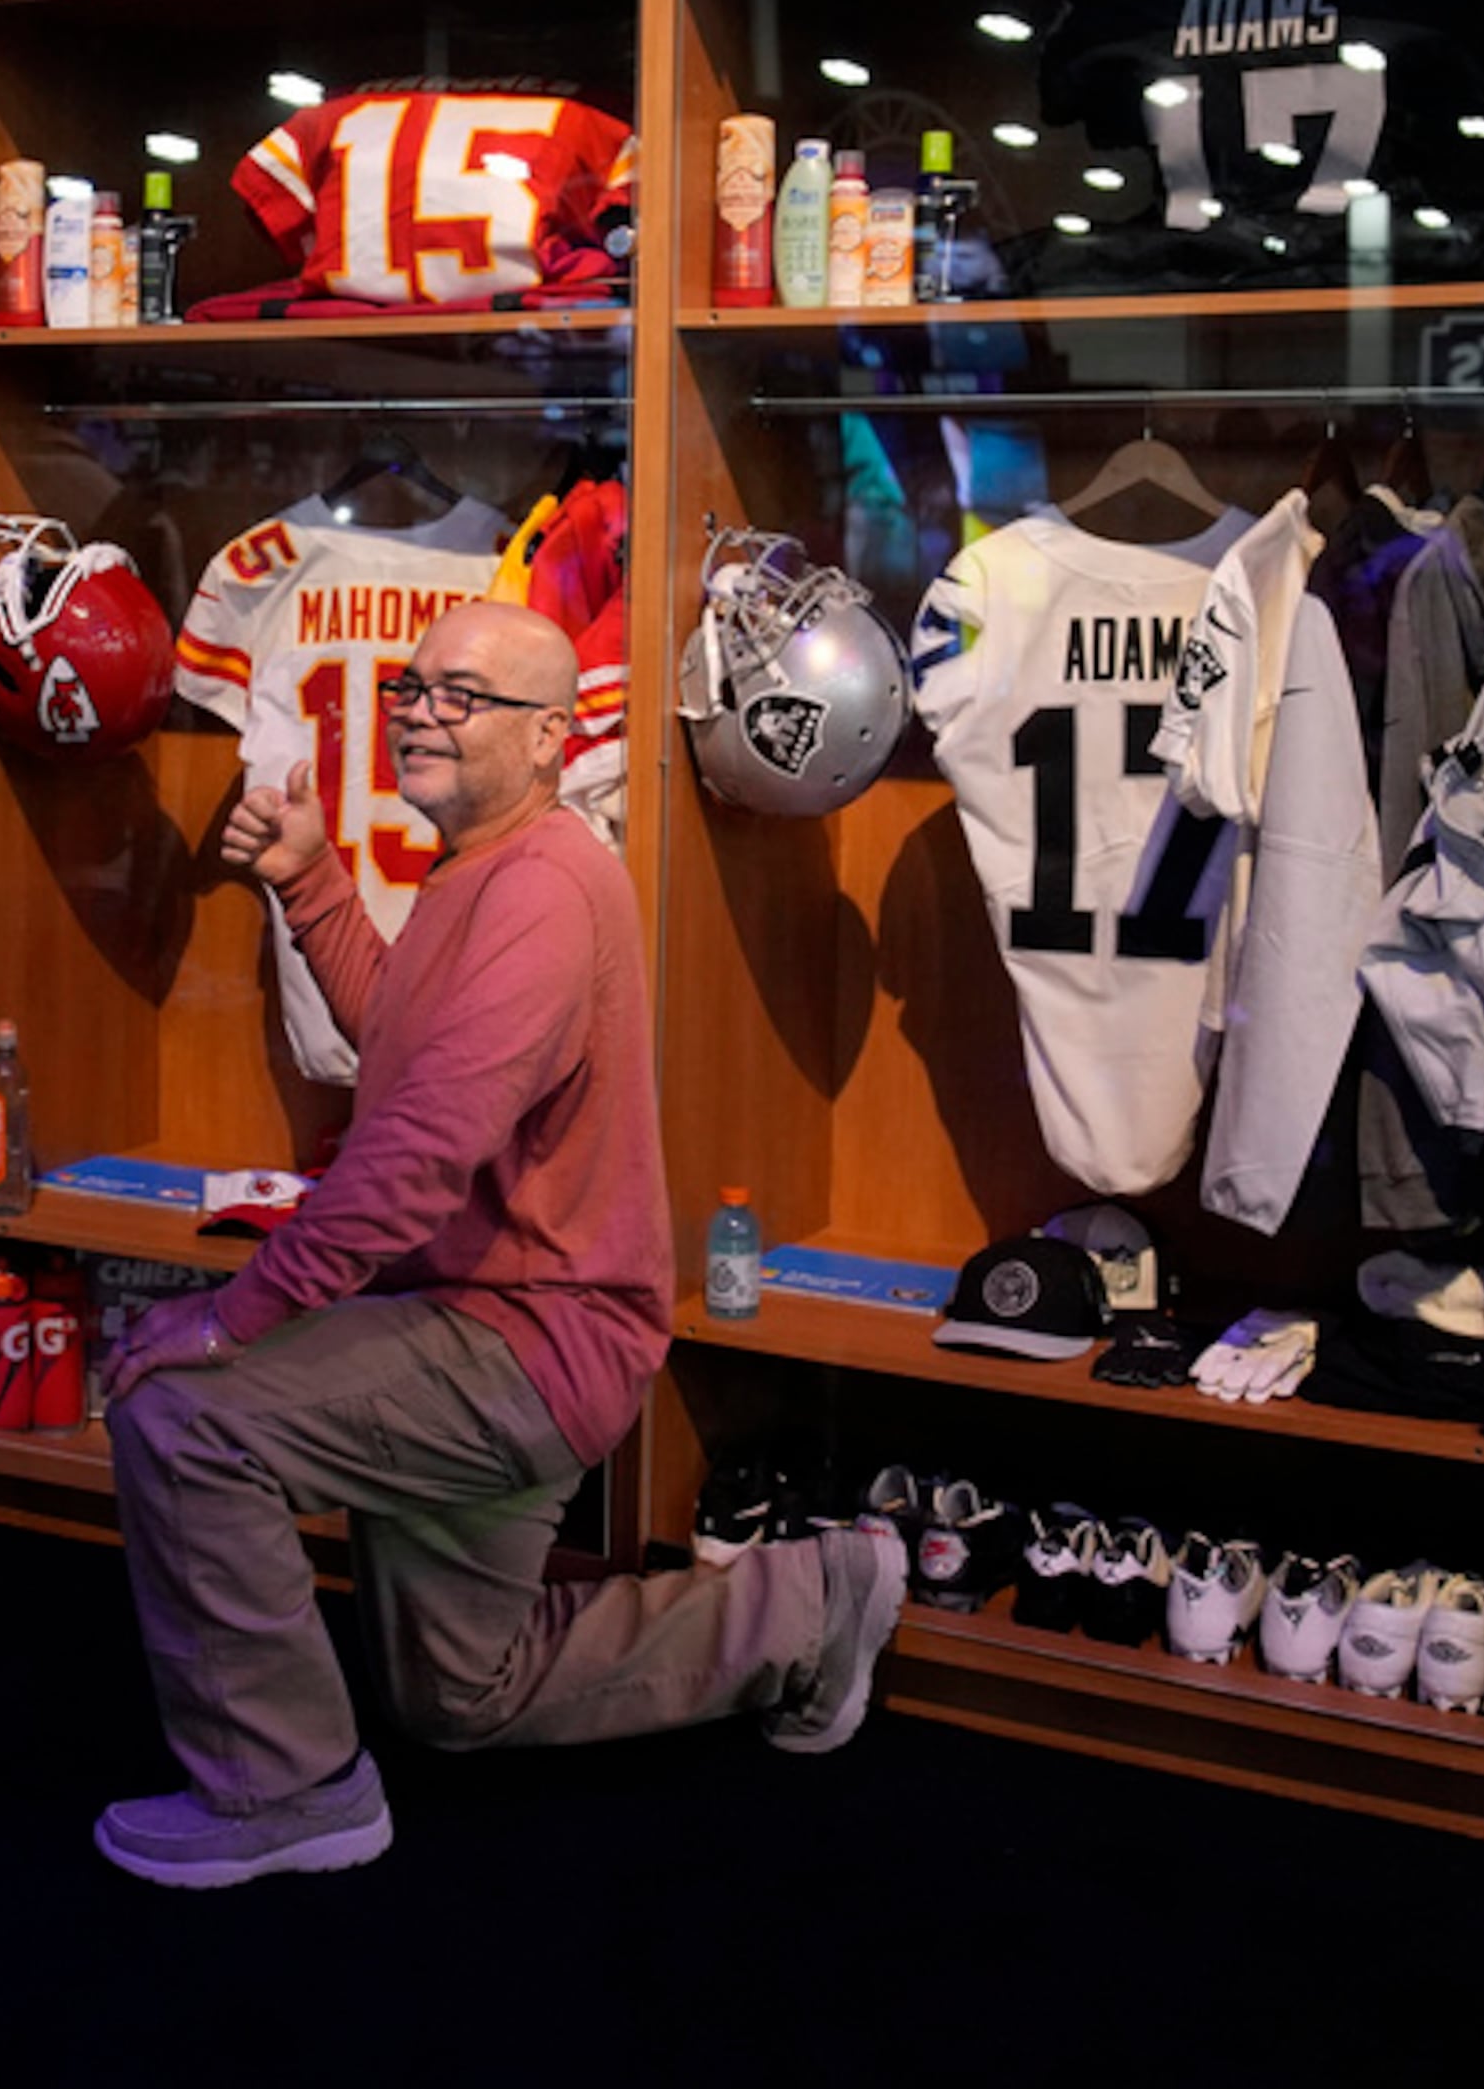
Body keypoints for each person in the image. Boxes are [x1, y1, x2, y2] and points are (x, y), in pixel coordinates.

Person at [91, 598, 905, 1887]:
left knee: (186, 1415)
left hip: (517, 1338)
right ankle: (813, 1604)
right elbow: (408, 1054)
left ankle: (285, 1790)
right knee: (458, 1697)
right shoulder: (489, 873)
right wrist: (309, 877)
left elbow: (414, 1157)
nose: (419, 708)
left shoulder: (544, 887)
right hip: (491, 1321)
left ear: (548, 741)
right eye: (415, 687)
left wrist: (229, 1318)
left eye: (462, 694)